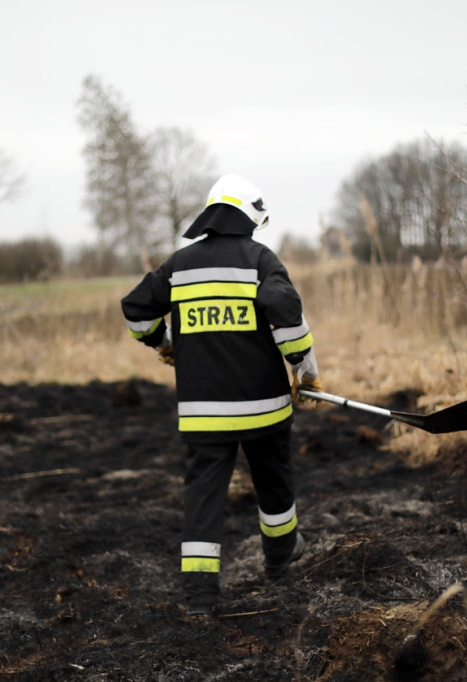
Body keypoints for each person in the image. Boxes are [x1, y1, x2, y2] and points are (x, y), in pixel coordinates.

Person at [121, 173, 323, 616]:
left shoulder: (177, 266)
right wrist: (304, 371)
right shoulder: (260, 260)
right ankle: (280, 558)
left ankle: (200, 599)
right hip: (263, 409)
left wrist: (164, 343)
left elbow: (136, 311)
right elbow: (287, 316)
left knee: (203, 500)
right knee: (274, 485)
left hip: (202, 414)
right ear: (250, 216)